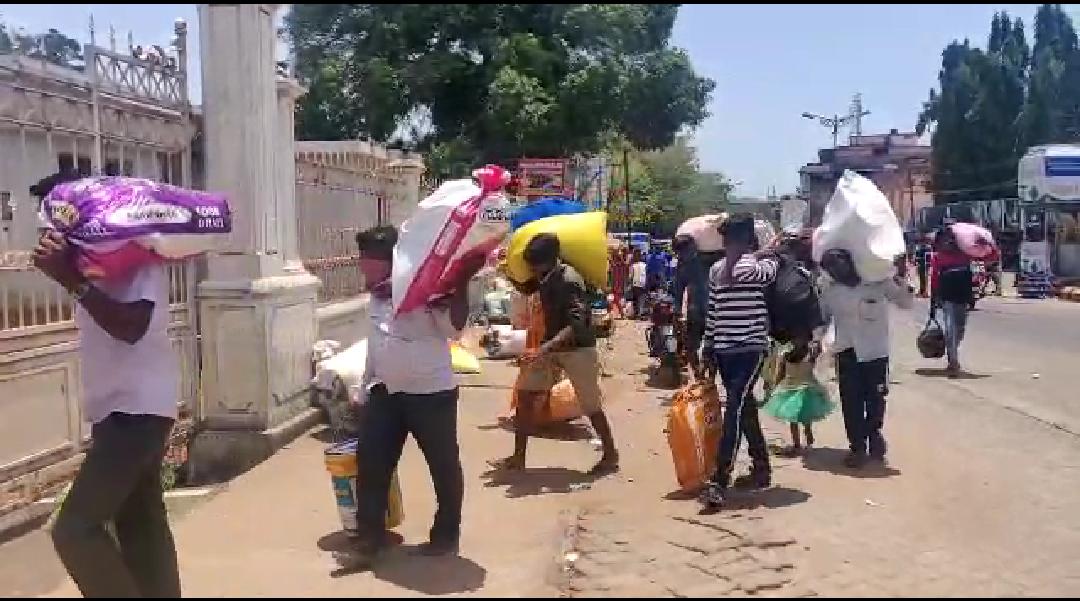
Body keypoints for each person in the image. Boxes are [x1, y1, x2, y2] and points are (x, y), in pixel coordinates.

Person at [32, 176, 182, 597]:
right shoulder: (97, 265)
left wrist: (71, 281)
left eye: (53, 224)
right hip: (119, 412)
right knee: (140, 525)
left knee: (75, 529)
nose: (46, 236)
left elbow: (131, 326)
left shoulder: (137, 258)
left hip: (137, 412)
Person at [344, 226, 483, 569]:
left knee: (443, 465)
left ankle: (446, 535)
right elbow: (375, 344)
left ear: (389, 261)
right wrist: (363, 388)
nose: (362, 265)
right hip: (386, 392)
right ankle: (370, 538)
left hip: (431, 394)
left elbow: (454, 329)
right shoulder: (377, 295)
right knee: (371, 463)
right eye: (362, 257)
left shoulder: (427, 289)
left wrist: (462, 282)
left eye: (369, 259)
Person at [493, 233, 619, 475]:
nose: (532, 269)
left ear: (550, 260)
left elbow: (576, 324)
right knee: (525, 397)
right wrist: (508, 272)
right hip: (551, 346)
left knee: (591, 405)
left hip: (578, 348)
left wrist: (543, 349)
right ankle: (518, 458)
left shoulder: (570, 280)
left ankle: (610, 454)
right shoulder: (546, 275)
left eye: (534, 264)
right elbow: (528, 288)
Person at [700, 214, 778, 512]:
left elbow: (713, 312)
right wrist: (770, 249)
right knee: (742, 408)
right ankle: (760, 467)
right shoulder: (757, 267)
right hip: (745, 350)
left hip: (729, 351)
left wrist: (708, 348)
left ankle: (720, 479)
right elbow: (773, 267)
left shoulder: (717, 270)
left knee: (735, 407)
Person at [818, 248, 913, 468]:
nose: (836, 271)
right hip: (846, 351)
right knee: (850, 403)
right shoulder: (830, 291)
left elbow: (905, 302)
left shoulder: (878, 283)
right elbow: (822, 319)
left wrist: (901, 277)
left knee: (876, 398)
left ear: (850, 263)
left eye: (839, 265)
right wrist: (815, 341)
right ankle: (857, 447)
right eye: (831, 268)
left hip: (875, 353)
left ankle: (874, 434)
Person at [762, 340, 834, 457]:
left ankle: (797, 445)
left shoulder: (785, 355)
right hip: (808, 387)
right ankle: (808, 432)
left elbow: (780, 374)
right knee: (806, 413)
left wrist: (773, 386)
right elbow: (816, 357)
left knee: (793, 420)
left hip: (790, 388)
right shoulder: (810, 354)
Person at [930, 226, 973, 377]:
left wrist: (971, 297)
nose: (948, 241)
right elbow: (934, 278)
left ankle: (953, 351)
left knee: (960, 327)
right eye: (945, 239)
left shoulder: (965, 255)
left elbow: (970, 276)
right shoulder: (938, 257)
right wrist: (933, 299)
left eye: (951, 238)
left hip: (962, 294)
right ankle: (953, 360)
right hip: (947, 294)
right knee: (950, 327)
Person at [671, 234, 710, 377]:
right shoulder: (705, 261)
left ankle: (704, 379)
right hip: (701, 311)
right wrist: (677, 311)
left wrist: (677, 311)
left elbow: (678, 291)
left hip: (702, 311)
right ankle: (702, 378)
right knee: (694, 347)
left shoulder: (686, 266)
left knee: (697, 347)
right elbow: (678, 290)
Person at [608, 245, 629, 319]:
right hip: (616, 283)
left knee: (615, 299)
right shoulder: (616, 264)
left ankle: (620, 313)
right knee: (615, 299)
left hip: (618, 284)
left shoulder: (622, 264)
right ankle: (617, 313)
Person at [629, 248, 648, 319]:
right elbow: (647, 275)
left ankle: (636, 313)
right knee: (641, 299)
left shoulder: (633, 266)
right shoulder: (645, 265)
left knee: (635, 299)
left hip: (635, 284)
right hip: (643, 284)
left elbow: (630, 276)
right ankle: (640, 313)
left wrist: (630, 284)